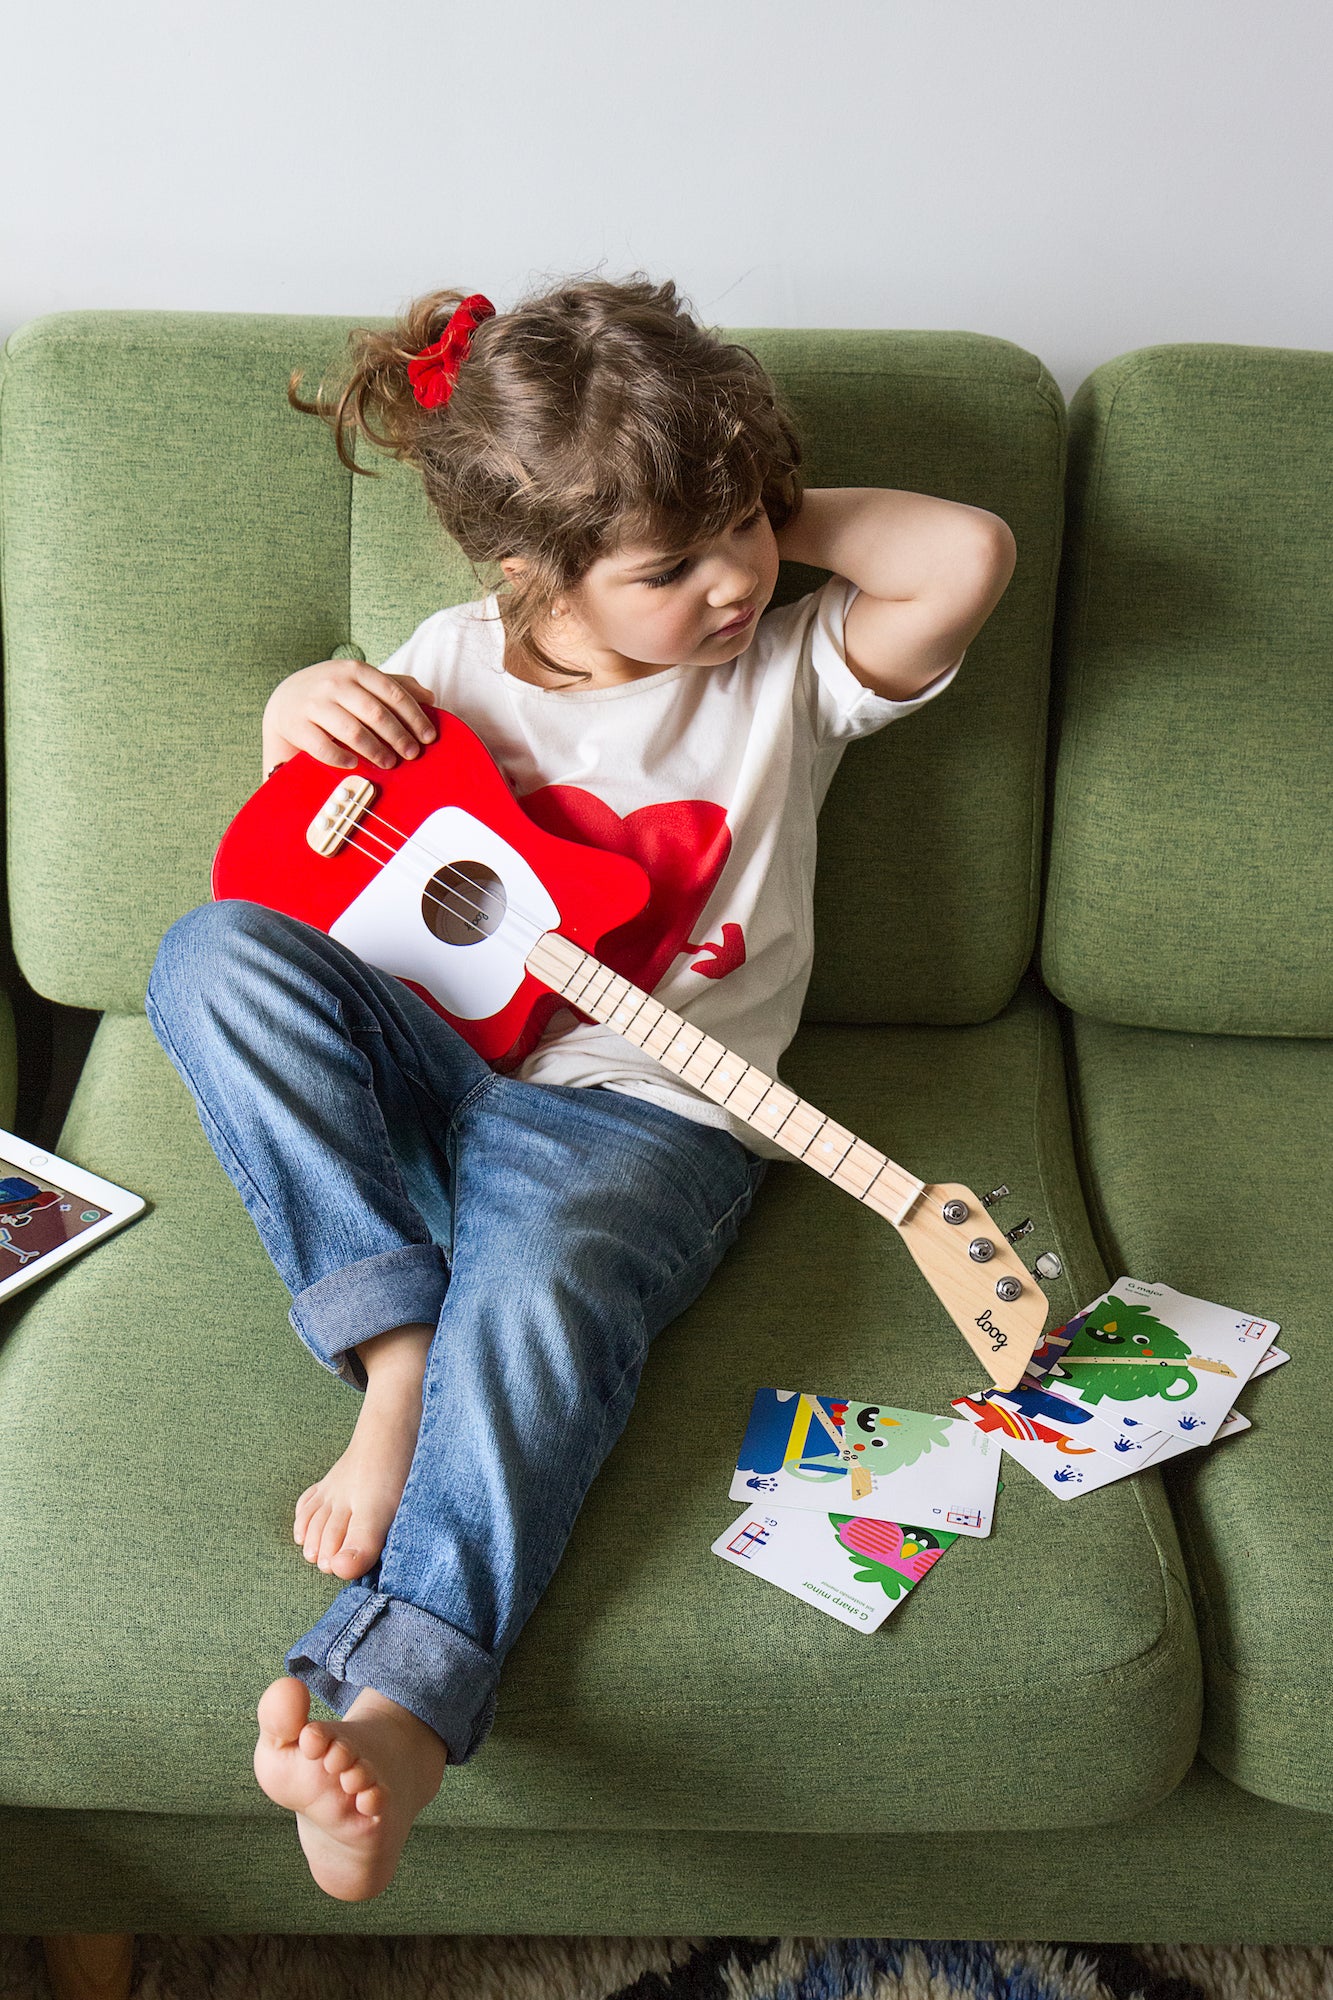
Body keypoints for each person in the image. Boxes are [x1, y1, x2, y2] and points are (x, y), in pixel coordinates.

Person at [144, 274, 1016, 1902]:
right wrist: (292, 716)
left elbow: (957, 557)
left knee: (544, 1292)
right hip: (425, 1055)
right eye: (669, 567)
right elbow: (306, 866)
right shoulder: (445, 662)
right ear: (528, 570)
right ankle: (396, 1360)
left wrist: (713, 488)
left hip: (643, 1110)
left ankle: (398, 1717)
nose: (735, 577)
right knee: (209, 956)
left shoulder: (788, 666)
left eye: (748, 531)